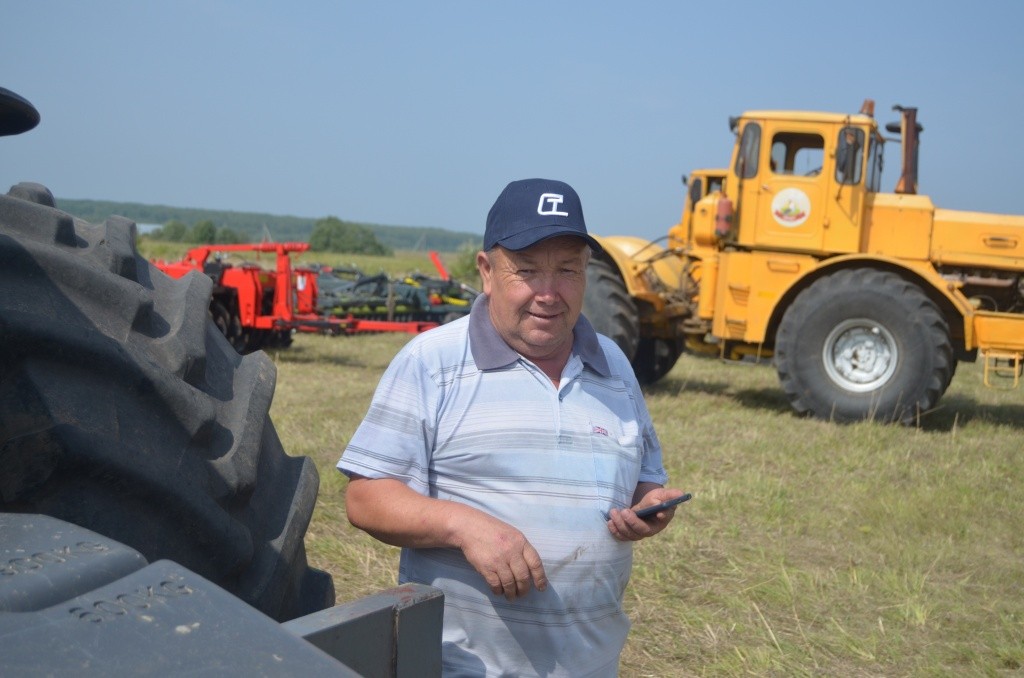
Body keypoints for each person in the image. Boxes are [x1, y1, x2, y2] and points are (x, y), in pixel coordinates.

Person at [337, 177, 686, 677]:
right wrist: (464, 526)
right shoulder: (431, 363)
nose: (548, 293)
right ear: (486, 270)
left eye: (567, 270)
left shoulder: (613, 365)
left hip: (592, 664)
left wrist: (650, 506)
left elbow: (642, 481)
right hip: (463, 667)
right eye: (526, 271)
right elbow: (366, 497)